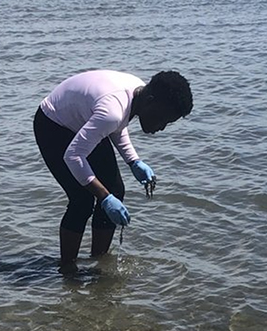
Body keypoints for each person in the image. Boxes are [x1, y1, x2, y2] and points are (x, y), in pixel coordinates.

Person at [33, 69, 193, 273]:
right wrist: (104, 197)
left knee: (115, 189)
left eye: (167, 123)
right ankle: (68, 270)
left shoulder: (138, 93)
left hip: (83, 120)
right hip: (52, 123)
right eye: (162, 119)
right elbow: (73, 156)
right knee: (82, 199)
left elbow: (117, 124)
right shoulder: (112, 111)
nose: (161, 127)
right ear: (151, 100)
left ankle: (98, 263)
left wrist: (133, 161)